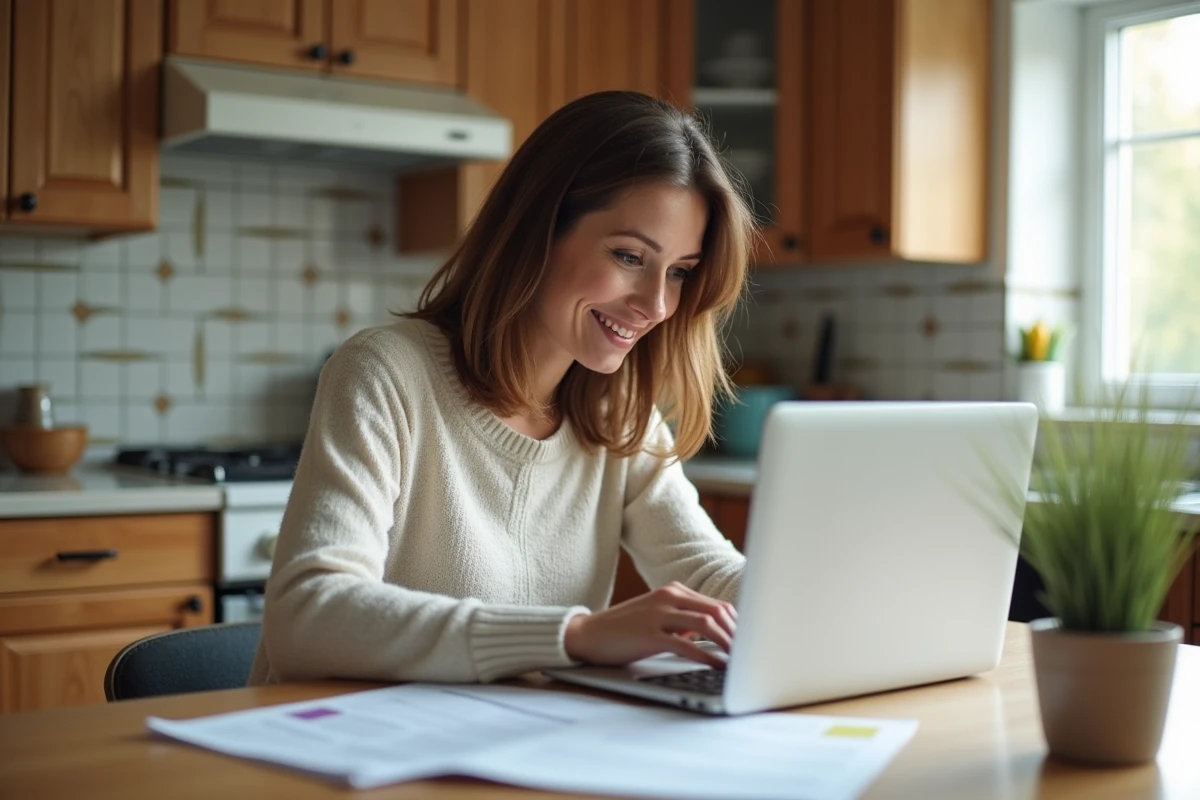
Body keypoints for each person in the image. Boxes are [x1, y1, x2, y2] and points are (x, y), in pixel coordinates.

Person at [248, 90, 756, 686]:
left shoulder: (622, 416)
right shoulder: (385, 373)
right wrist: (573, 637)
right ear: (538, 231)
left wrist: (821, 601)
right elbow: (309, 617)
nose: (657, 305)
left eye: (679, 273)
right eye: (628, 256)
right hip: (338, 754)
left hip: (509, 749)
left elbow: (707, 569)